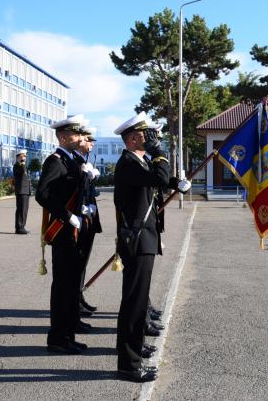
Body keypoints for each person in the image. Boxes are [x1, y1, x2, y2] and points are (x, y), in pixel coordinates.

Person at [113, 112, 189, 383]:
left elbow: (156, 180)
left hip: (143, 238)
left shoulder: (136, 162)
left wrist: (175, 184)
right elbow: (155, 176)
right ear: (134, 138)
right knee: (133, 304)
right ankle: (129, 365)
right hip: (137, 240)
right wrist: (159, 152)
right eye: (148, 136)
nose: (153, 140)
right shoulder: (127, 164)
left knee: (138, 302)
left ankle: (136, 348)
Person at [35, 115, 89, 355]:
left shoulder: (72, 160)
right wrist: (67, 216)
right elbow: (43, 195)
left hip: (74, 232)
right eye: (76, 134)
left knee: (70, 286)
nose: (80, 138)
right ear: (64, 137)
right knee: (62, 288)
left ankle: (67, 334)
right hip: (63, 231)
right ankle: (57, 338)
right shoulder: (55, 161)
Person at [74, 126, 102, 315]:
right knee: (76, 265)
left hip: (88, 219)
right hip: (77, 220)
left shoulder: (85, 160)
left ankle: (79, 298)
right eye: (88, 140)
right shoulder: (73, 161)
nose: (91, 144)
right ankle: (75, 301)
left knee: (82, 263)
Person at [13, 151, 31, 234]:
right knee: (21, 210)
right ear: (19, 156)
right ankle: (19, 227)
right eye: (23, 156)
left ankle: (22, 226)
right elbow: (22, 172)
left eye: (25, 156)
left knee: (24, 210)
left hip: (25, 191)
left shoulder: (23, 166)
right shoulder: (17, 166)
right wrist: (22, 163)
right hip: (21, 191)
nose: (25, 158)